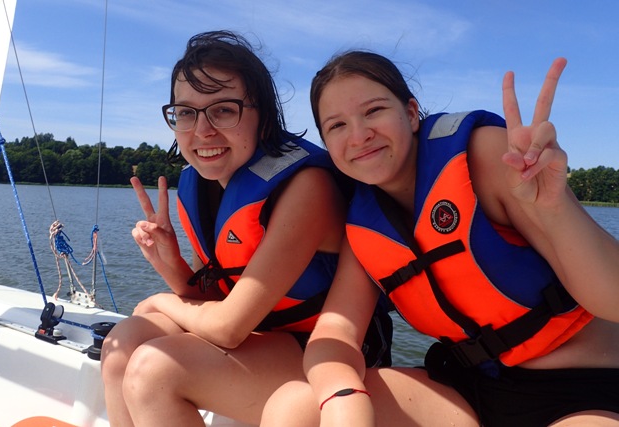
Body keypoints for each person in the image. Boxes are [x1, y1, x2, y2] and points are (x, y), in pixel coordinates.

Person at [261, 51, 619, 427]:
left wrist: (555, 210)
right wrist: (342, 396)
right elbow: (336, 332)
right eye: (336, 126)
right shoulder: (365, 223)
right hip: (470, 390)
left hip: (582, 391)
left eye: (373, 111)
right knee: (296, 405)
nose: (359, 135)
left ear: (411, 113)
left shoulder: (490, 157)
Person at [100, 33, 391, 427]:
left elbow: (229, 327)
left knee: (154, 370)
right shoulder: (205, 187)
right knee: (121, 347)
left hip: (332, 354)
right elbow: (216, 303)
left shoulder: (306, 188)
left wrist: (159, 300)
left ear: (264, 118)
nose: (202, 130)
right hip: (262, 338)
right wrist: (170, 264)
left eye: (223, 110)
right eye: (185, 113)